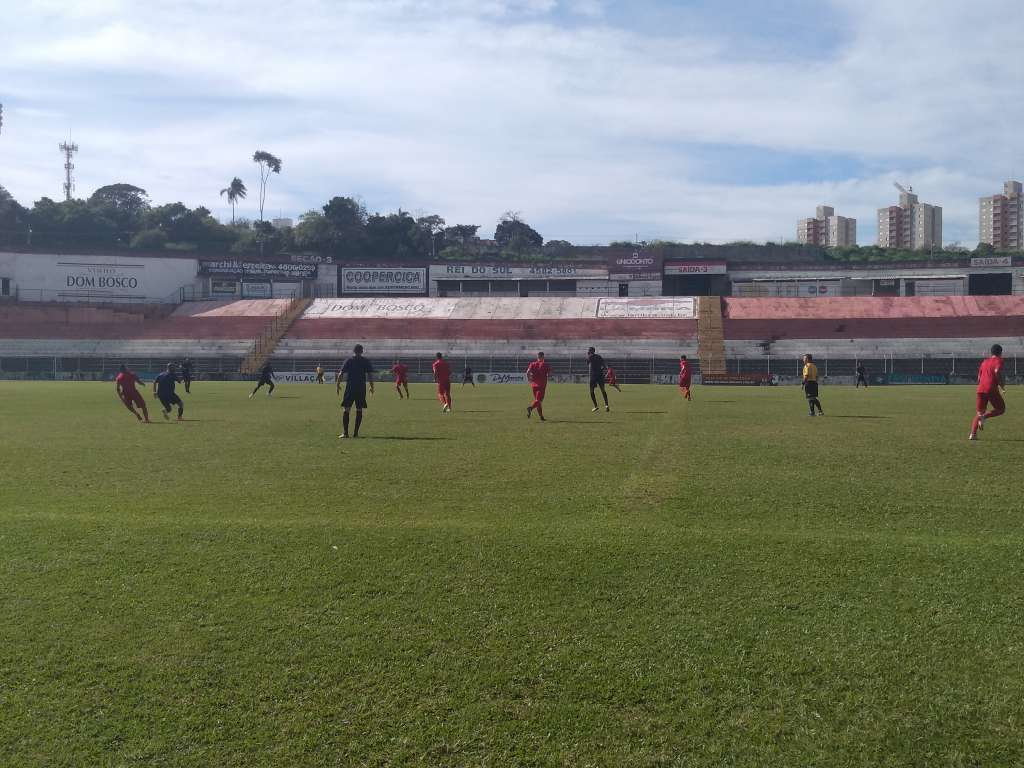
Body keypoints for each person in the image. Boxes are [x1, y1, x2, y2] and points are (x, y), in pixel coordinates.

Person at [336, 344, 375, 439]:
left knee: (346, 409)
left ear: (353, 351)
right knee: (359, 409)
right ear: (362, 351)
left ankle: (345, 433)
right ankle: (356, 433)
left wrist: (337, 385)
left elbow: (341, 373)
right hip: (361, 387)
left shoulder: (349, 360)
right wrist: (371, 386)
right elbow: (370, 374)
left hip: (350, 387)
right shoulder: (365, 361)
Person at [970, 344, 1006, 441]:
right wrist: (1001, 386)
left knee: (979, 413)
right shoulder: (999, 360)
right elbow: (997, 371)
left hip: (980, 389)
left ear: (991, 352)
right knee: (1001, 409)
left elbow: (978, 378)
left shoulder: (984, 362)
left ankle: (973, 434)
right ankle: (984, 417)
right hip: (991, 389)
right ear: (1000, 353)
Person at [526, 351, 551, 421]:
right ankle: (530, 408)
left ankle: (541, 417)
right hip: (541, 385)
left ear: (537, 357)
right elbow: (549, 374)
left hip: (533, 385)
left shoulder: (532, 364)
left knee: (538, 401)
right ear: (543, 357)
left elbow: (527, 372)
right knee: (539, 401)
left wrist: (529, 379)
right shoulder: (546, 365)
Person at [586, 346, 609, 412]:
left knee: (591, 391)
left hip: (593, 376)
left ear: (590, 351)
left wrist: (588, 355)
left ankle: (596, 406)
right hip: (600, 375)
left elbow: (588, 364)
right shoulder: (599, 356)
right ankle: (606, 405)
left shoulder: (589, 357)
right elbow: (604, 365)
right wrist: (602, 369)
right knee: (603, 390)